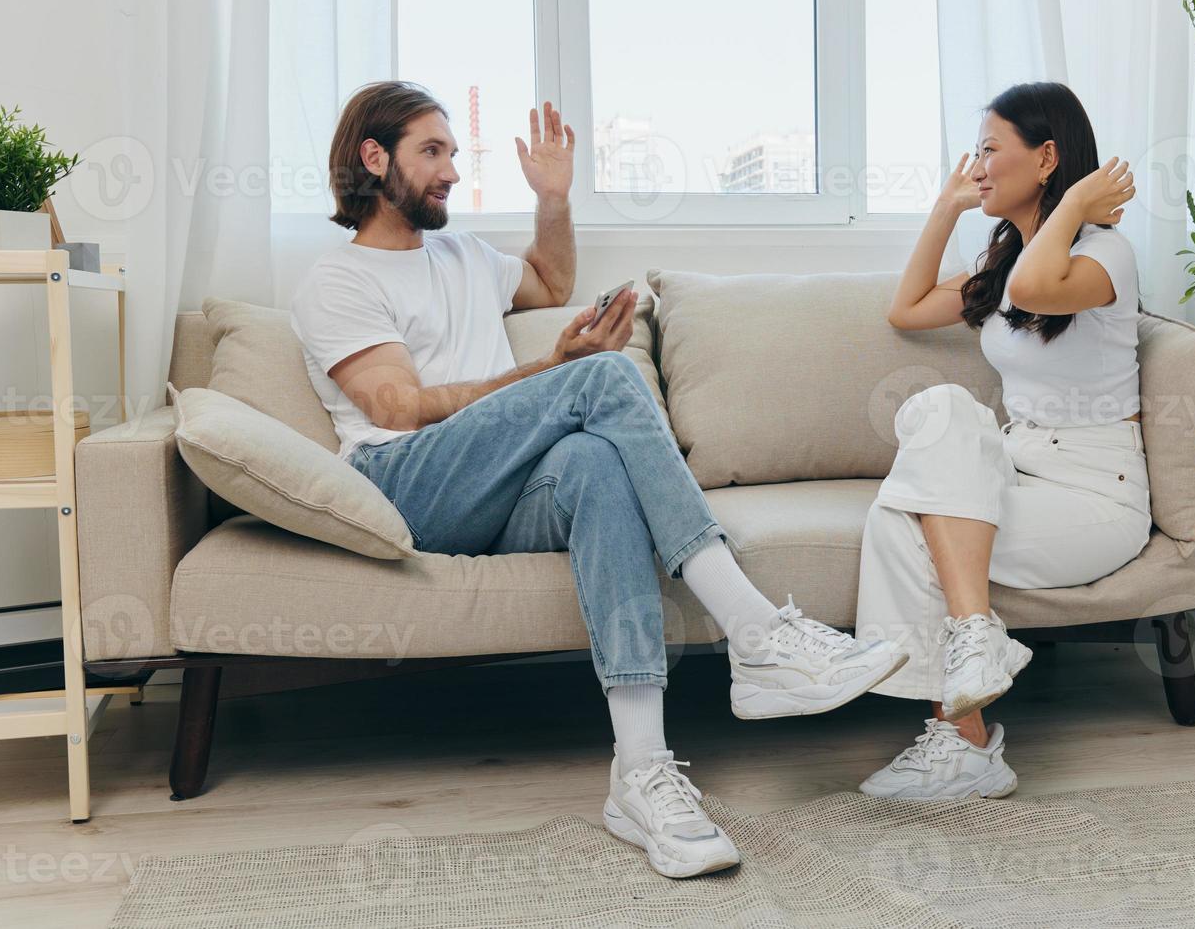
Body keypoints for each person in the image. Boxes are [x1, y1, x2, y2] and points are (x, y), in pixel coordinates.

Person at [289, 81, 908, 878]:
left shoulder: (462, 254)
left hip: (499, 488)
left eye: (452, 151)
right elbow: (400, 409)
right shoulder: (338, 281)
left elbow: (547, 281)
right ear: (375, 159)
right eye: (431, 152)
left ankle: (641, 772)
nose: (449, 170)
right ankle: (756, 633)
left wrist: (554, 198)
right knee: (604, 378)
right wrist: (551, 371)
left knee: (595, 463)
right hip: (409, 483)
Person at [856, 81, 1150, 801]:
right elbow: (907, 308)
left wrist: (1077, 204)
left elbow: (1037, 293)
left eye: (991, 150)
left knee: (912, 523)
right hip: (1019, 468)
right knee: (941, 413)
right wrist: (948, 204)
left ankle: (964, 738)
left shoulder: (1106, 255)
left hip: (1093, 494)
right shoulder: (1006, 260)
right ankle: (972, 689)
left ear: (1047, 156)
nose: (978, 164)